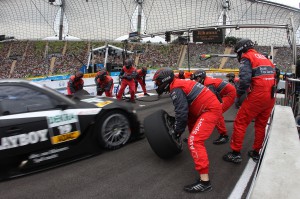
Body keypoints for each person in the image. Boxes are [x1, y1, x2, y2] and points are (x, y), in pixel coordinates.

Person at [152, 68, 222, 193]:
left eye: (157, 83)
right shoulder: (178, 84)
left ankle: (205, 182)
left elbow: (181, 113)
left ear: (165, 81)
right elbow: (184, 113)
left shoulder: (176, 89)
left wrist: (177, 132)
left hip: (209, 110)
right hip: (204, 107)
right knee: (190, 123)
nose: (156, 85)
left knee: (194, 141)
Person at [223, 39, 276, 163]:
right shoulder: (264, 58)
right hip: (271, 96)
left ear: (241, 50)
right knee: (261, 125)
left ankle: (235, 153)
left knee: (240, 122)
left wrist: (238, 95)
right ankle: (256, 152)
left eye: (238, 53)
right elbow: (276, 73)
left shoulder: (247, 57)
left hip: (258, 95)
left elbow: (245, 80)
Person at [191, 69, 236, 144]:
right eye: (195, 79)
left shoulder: (208, 83)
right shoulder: (206, 81)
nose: (195, 81)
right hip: (224, 93)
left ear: (201, 77)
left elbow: (213, 99)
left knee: (217, 111)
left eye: (196, 79)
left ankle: (224, 135)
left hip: (229, 94)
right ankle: (217, 124)